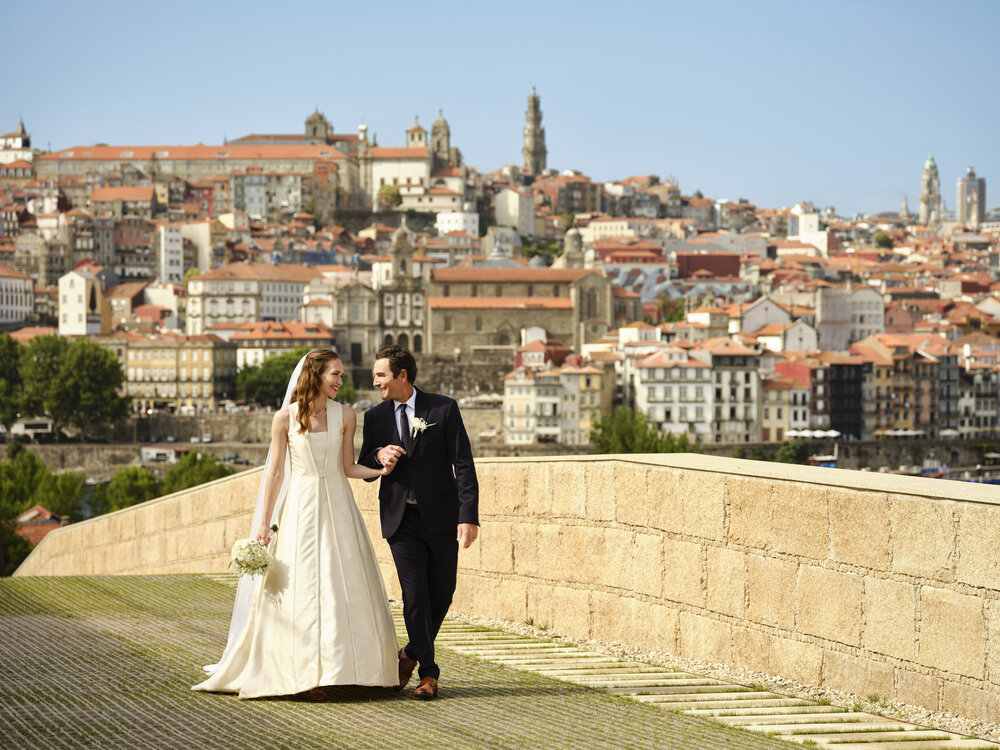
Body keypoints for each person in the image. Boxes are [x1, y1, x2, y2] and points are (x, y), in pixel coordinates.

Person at [193, 348, 398, 699]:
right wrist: (262, 524)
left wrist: (380, 470)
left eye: (341, 375)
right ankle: (301, 671)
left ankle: (348, 671)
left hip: (339, 507)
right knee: (301, 588)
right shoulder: (284, 419)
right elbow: (274, 474)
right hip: (300, 510)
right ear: (316, 374)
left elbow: (347, 467)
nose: (340, 381)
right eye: (335, 374)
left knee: (342, 584)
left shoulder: (346, 415)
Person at [359, 345, 479, 700]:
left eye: (381, 375)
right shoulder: (375, 416)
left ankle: (410, 653)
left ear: (402, 376)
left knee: (443, 592)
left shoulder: (443, 408)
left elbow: (464, 464)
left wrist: (468, 515)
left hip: (441, 518)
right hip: (400, 521)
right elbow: (365, 464)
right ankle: (429, 674)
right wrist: (379, 455)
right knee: (414, 596)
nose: (375, 381)